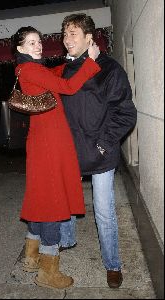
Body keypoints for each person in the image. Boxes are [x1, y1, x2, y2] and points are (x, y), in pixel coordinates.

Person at [11, 26, 101, 290]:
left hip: (43, 142)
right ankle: (48, 271)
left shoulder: (28, 69)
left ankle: (31, 256)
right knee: (52, 201)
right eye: (30, 43)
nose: (38, 46)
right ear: (20, 48)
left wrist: (72, 62)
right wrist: (91, 61)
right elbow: (68, 87)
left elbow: (54, 74)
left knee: (41, 197)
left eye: (39, 41)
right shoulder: (31, 69)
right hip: (50, 144)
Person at [59, 13, 137, 289]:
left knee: (103, 212)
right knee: (66, 201)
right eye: (65, 34)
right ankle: (66, 240)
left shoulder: (109, 69)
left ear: (90, 37)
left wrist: (103, 143)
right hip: (71, 152)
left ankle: (113, 264)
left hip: (100, 153)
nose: (67, 40)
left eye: (73, 34)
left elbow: (125, 114)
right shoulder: (68, 69)